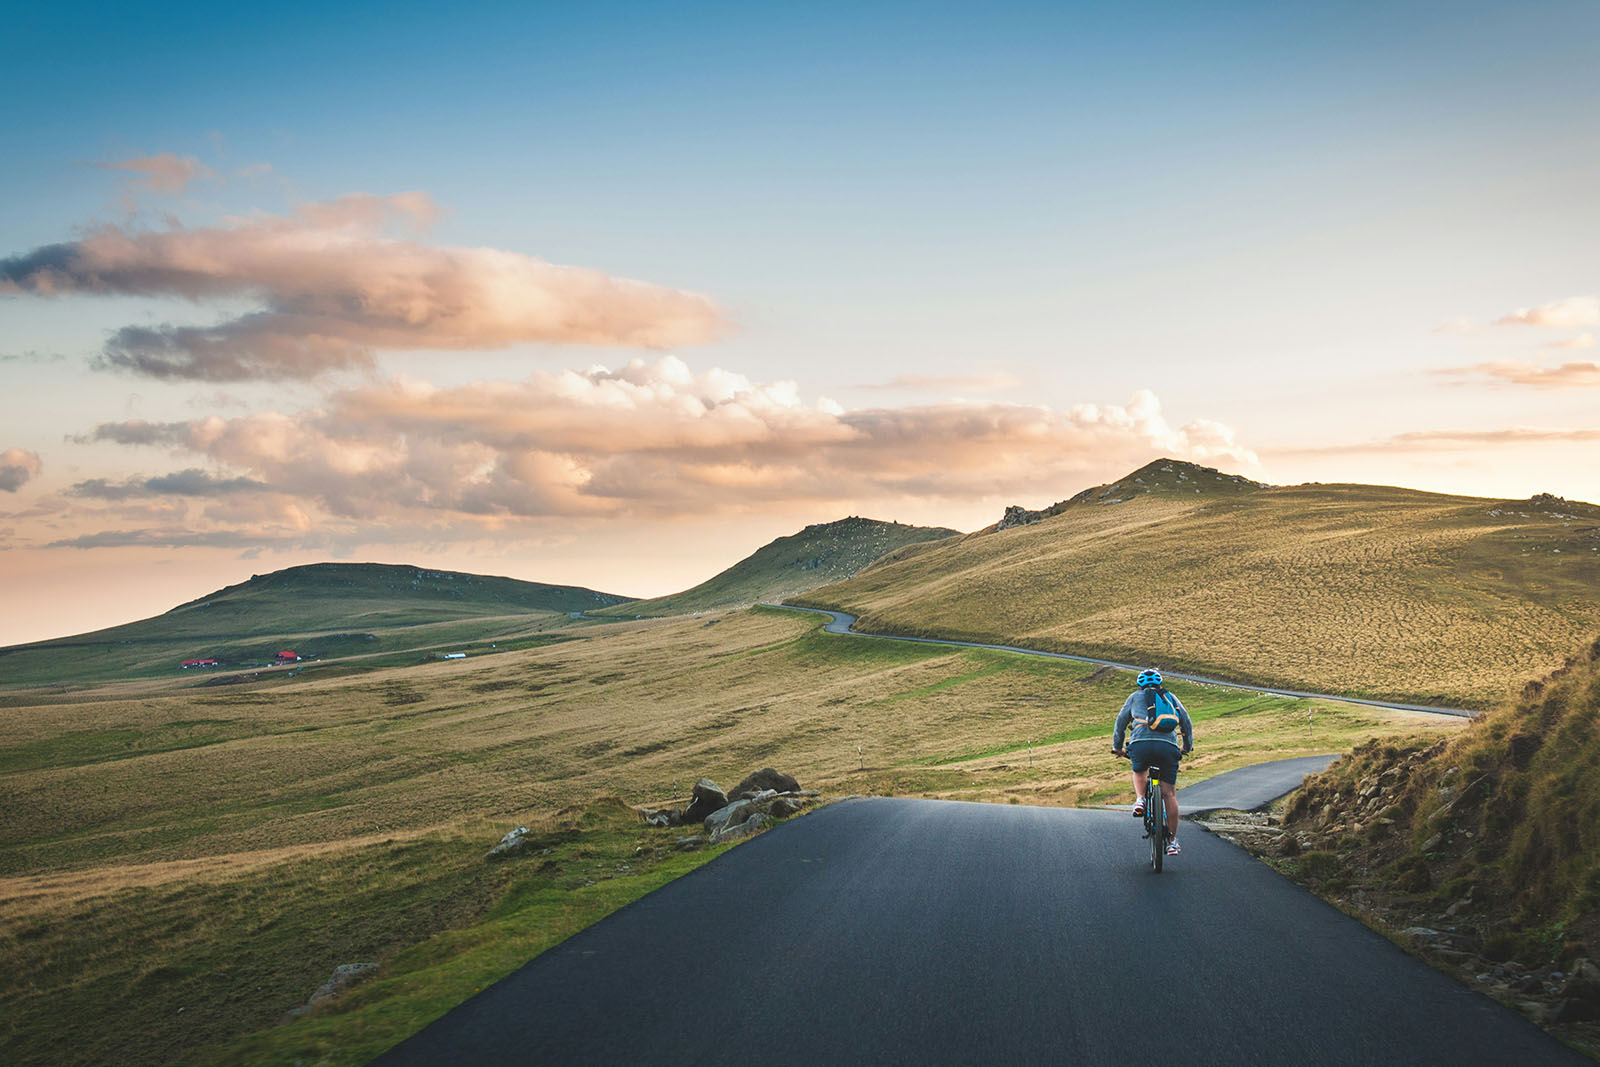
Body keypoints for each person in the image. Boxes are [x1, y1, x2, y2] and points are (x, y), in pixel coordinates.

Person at [1111, 668, 1193, 856]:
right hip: (1168, 746)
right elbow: (1186, 722)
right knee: (1169, 794)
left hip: (1141, 744)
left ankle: (1140, 799)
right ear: (1160, 683)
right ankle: (1172, 842)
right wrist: (1186, 747)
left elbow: (1121, 723)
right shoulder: (1170, 697)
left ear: (1140, 685)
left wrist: (1118, 747)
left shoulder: (1134, 697)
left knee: (1139, 770)